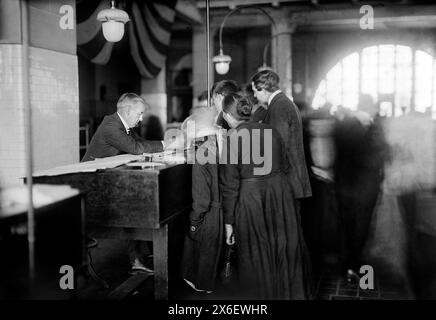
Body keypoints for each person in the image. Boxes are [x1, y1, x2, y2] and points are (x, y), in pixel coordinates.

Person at [219, 93, 312, 299]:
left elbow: (229, 185)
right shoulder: (271, 130)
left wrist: (228, 223)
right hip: (280, 196)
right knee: (282, 250)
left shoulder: (233, 138)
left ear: (226, 115)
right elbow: (286, 165)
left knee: (256, 255)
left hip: (251, 198)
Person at [82, 93, 165, 275]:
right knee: (135, 206)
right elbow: (136, 148)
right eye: (139, 114)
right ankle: (136, 258)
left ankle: (141, 255)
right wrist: (167, 145)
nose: (141, 118)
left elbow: (140, 142)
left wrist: (166, 144)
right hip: (93, 186)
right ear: (127, 111)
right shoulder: (111, 126)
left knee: (139, 203)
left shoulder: (123, 124)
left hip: (105, 179)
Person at [251, 70, 312, 214]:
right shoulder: (283, 103)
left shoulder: (279, 107)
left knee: (287, 232)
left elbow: (278, 147)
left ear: (264, 89)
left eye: (255, 91)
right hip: (291, 181)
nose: (254, 95)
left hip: (286, 183)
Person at [180, 108, 223, 293]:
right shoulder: (222, 142)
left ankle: (202, 285)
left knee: (201, 249)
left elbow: (201, 200)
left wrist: (194, 219)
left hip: (210, 213)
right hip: (224, 209)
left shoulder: (202, 154)